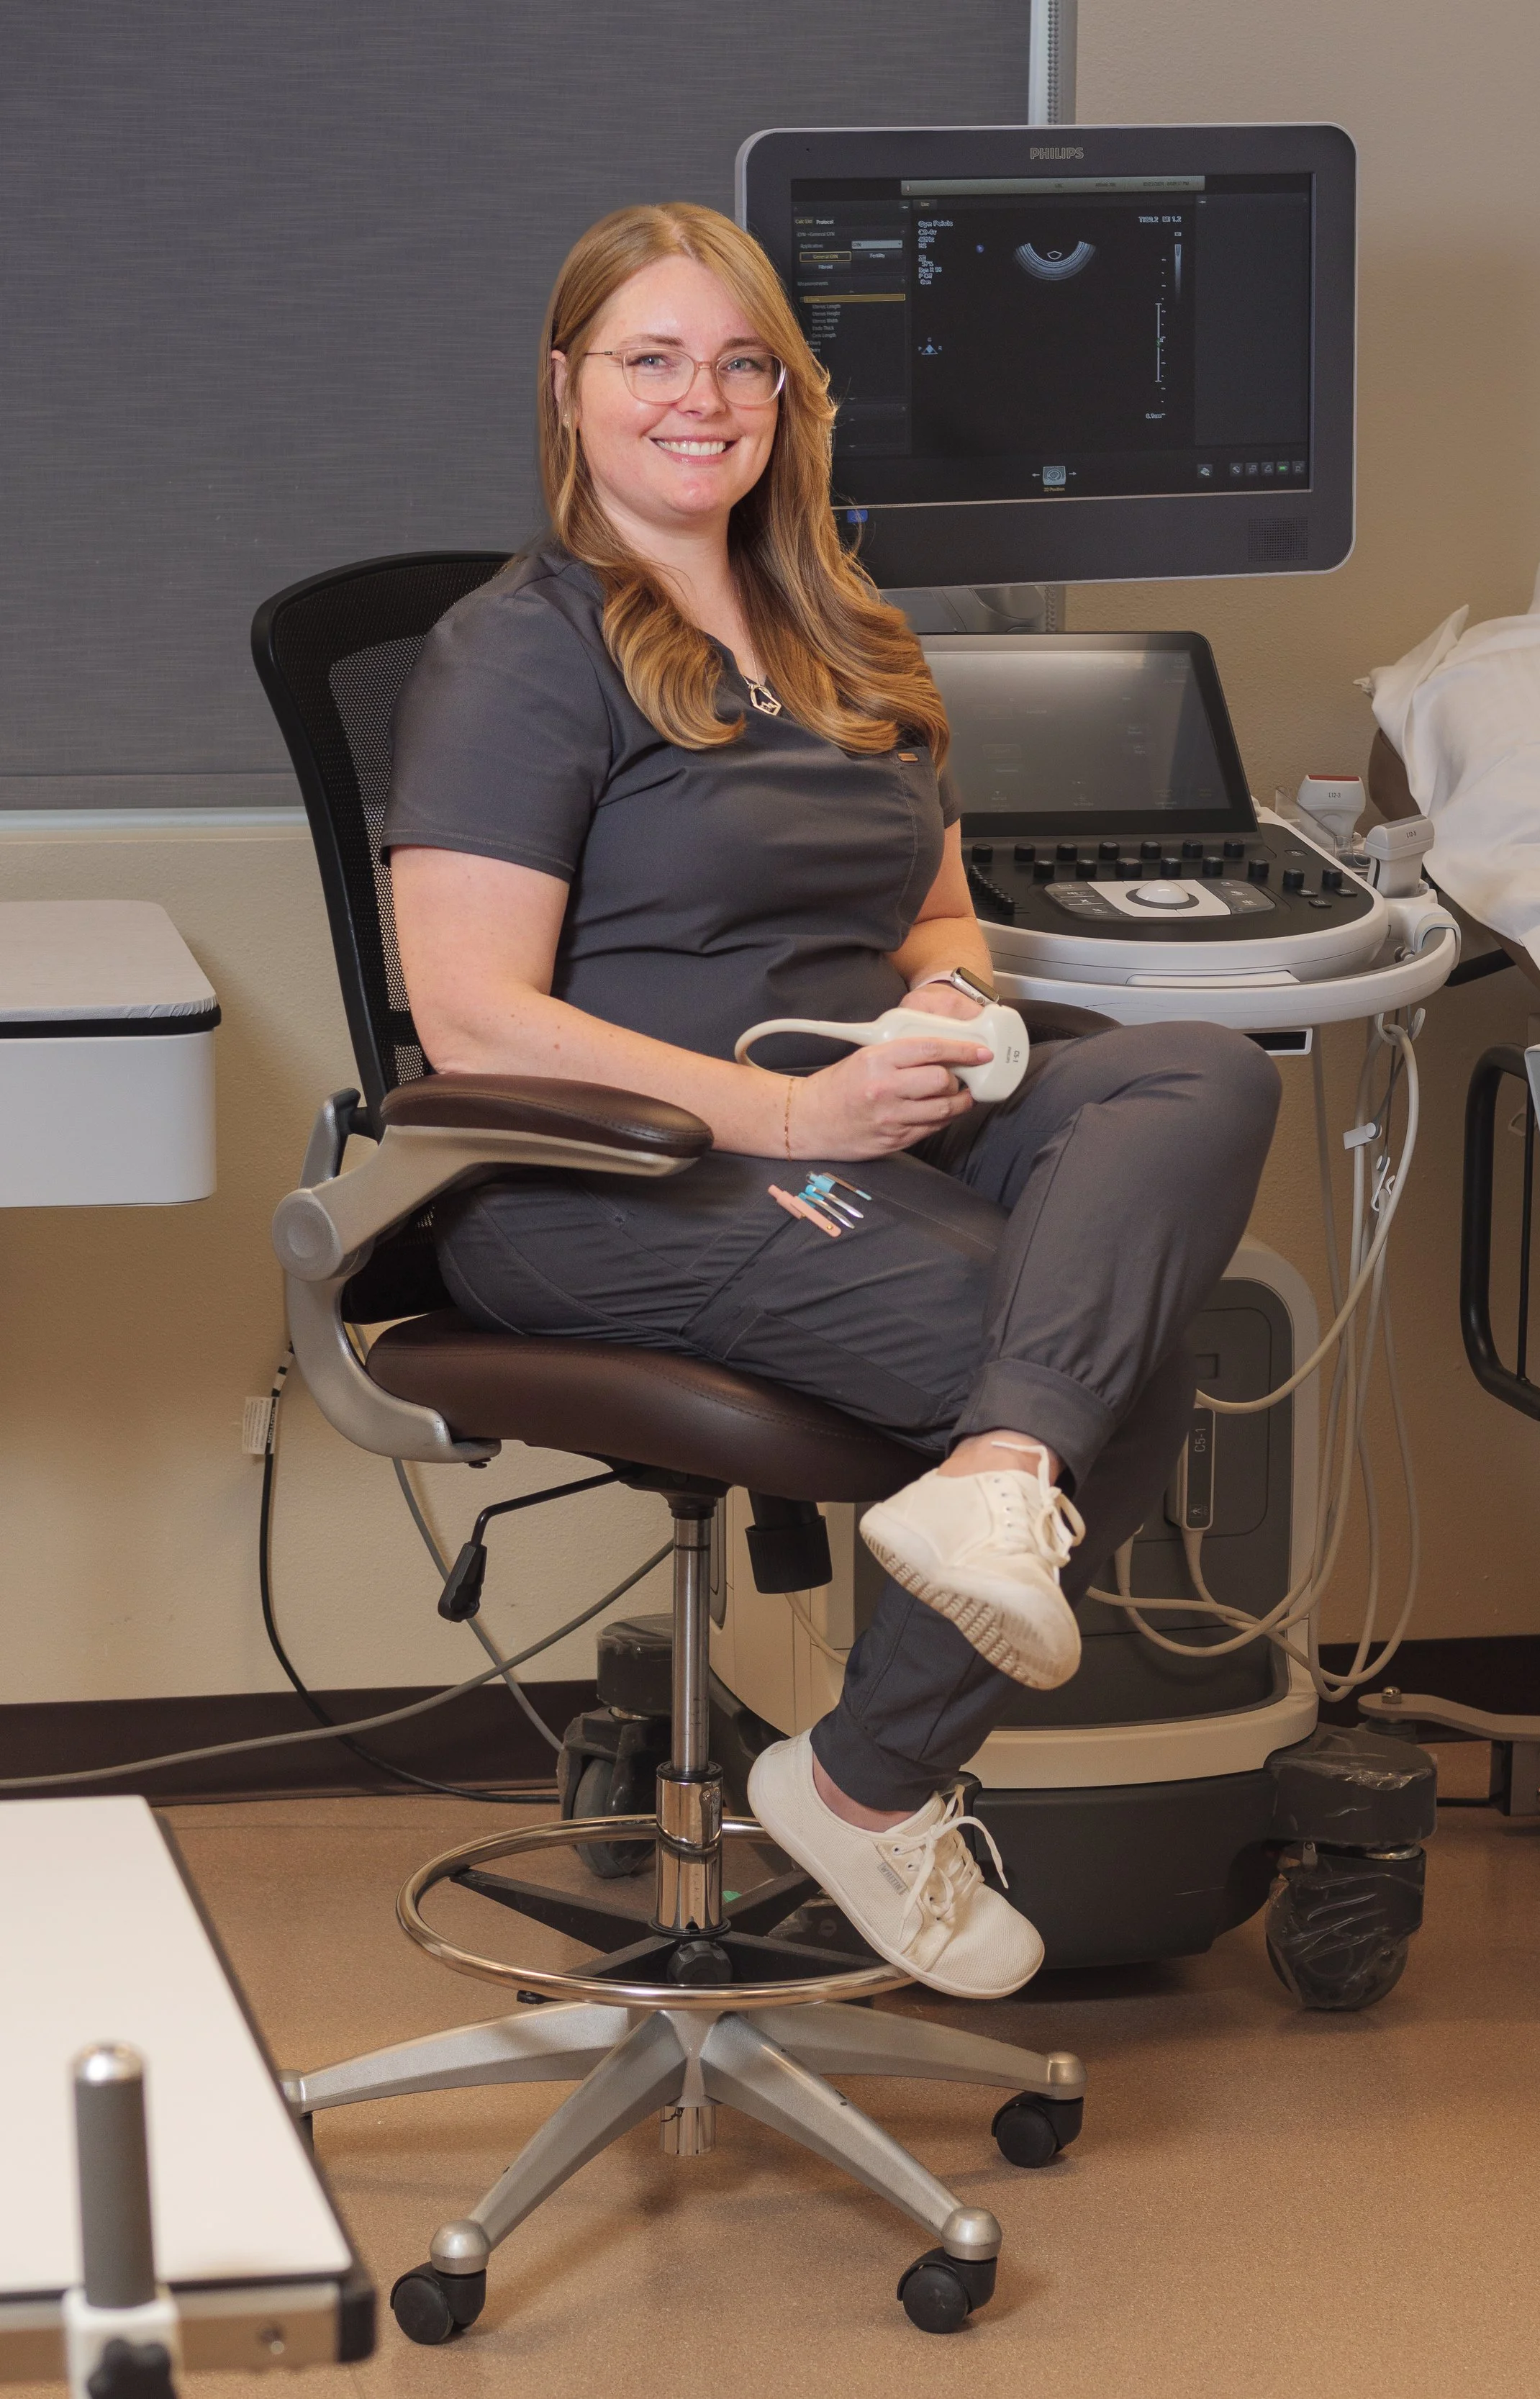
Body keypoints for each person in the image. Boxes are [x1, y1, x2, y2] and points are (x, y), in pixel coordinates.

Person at [385, 202, 1280, 2002]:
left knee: (1198, 1069)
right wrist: (783, 1118)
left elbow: (937, 908)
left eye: (743, 364)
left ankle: (908, 1664)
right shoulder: (527, 648)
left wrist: (949, 999)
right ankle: (871, 1783)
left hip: (870, 1116)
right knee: (1112, 1354)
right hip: (607, 1172)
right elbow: (468, 1014)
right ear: (566, 392)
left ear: (793, 396)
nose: (699, 400)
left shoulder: (846, 629)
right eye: (650, 360)